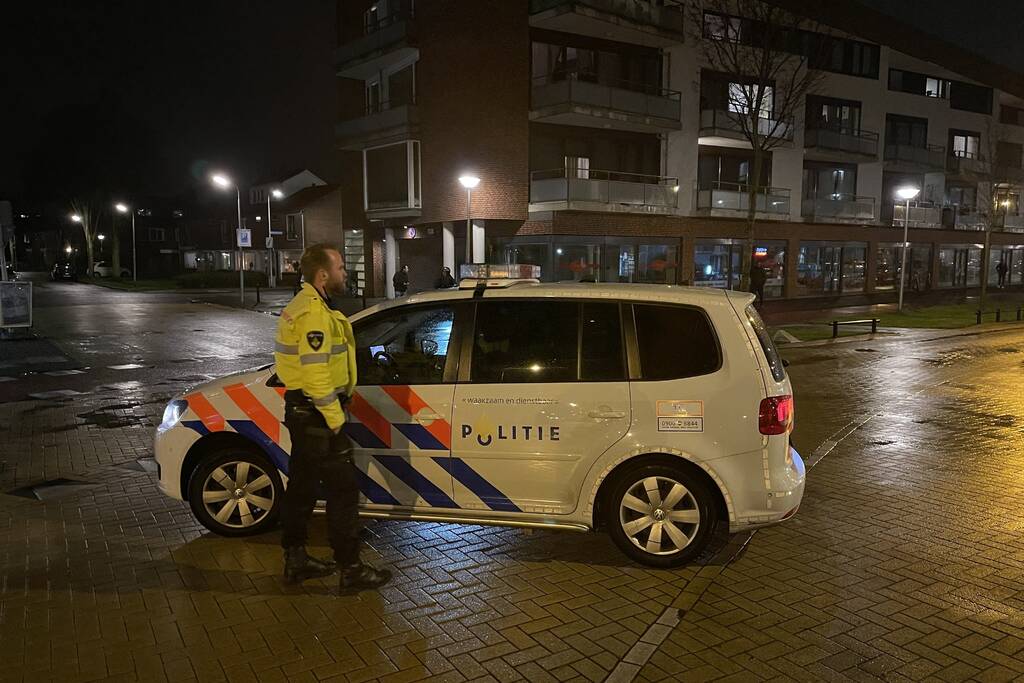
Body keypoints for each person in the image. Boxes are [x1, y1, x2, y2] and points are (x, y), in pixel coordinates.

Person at [274, 243, 392, 594]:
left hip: (304, 413)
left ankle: (296, 558)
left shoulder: (308, 305)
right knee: (343, 493)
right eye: (340, 267)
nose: (345, 272)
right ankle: (350, 568)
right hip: (317, 416)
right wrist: (334, 417)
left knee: (302, 487)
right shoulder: (314, 314)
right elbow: (315, 375)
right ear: (323, 275)